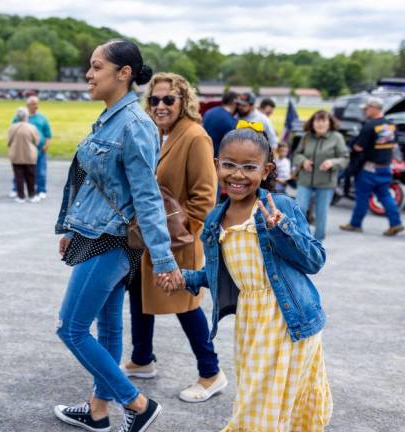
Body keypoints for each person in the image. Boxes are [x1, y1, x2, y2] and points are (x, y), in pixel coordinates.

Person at [54, 40, 182, 432]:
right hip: (93, 234)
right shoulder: (110, 117)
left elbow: (147, 197)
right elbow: (95, 184)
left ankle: (137, 403)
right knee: (108, 327)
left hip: (111, 241)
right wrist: (71, 230)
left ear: (124, 73)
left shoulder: (136, 125)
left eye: (96, 67)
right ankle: (97, 411)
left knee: (71, 328)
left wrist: (163, 259)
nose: (89, 75)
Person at [169, 125, 333, 432]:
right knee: (256, 393)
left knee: (267, 400)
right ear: (216, 164)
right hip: (251, 320)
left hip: (287, 319)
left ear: (266, 169)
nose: (238, 175)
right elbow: (223, 271)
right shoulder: (216, 218)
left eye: (249, 167)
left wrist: (281, 229)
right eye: (229, 164)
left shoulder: (278, 207)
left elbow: (315, 260)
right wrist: (185, 278)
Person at [121, 72, 227, 403]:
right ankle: (142, 359)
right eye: (154, 99)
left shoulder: (195, 136)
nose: (161, 105)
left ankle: (211, 373)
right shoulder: (157, 134)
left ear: (184, 101)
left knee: (185, 304)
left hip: (176, 240)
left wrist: (183, 232)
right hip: (147, 239)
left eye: (169, 99)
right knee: (139, 295)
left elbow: (205, 198)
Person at [340, 97, 403, 236]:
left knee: (362, 197)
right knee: (385, 196)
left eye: (367, 108)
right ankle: (396, 223)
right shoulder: (391, 125)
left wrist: (352, 144)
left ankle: (355, 224)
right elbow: (393, 145)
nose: (365, 111)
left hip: (368, 169)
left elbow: (358, 147)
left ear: (374, 108)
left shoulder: (369, 126)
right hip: (385, 168)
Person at [292, 111, 349, 240]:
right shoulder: (306, 137)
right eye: (317, 120)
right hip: (304, 181)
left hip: (326, 184)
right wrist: (303, 161)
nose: (320, 123)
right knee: (300, 209)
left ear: (330, 123)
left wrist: (332, 162)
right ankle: (302, 239)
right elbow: (296, 154)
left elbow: (345, 158)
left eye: (324, 120)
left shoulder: (337, 137)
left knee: (321, 214)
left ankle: (318, 243)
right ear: (312, 123)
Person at [10, 96, 52, 199]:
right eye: (33, 104)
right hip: (23, 150)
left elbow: (48, 134)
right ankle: (17, 189)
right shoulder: (18, 118)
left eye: (37, 103)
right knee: (20, 171)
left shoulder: (42, 118)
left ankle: (41, 190)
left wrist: (46, 145)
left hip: (39, 150)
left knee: (40, 171)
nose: (36, 106)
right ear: (27, 105)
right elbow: (12, 132)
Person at [7, 107, 39, 203]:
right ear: (26, 116)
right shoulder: (32, 127)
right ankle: (32, 195)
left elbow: (9, 141)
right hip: (29, 155)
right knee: (31, 176)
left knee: (18, 176)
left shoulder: (12, 127)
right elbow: (36, 141)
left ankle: (20, 196)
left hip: (16, 155)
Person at [202, 91, 238, 156]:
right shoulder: (230, 121)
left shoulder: (209, 112)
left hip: (204, 151)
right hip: (217, 157)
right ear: (234, 103)